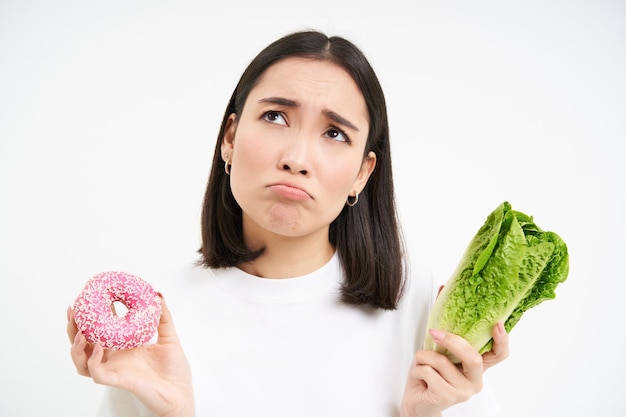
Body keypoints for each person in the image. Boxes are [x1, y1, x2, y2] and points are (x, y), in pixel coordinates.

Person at [67, 29, 509, 417]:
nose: (296, 159)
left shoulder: (420, 309)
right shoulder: (161, 316)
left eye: (335, 133)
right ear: (230, 138)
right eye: (275, 116)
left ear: (363, 172)